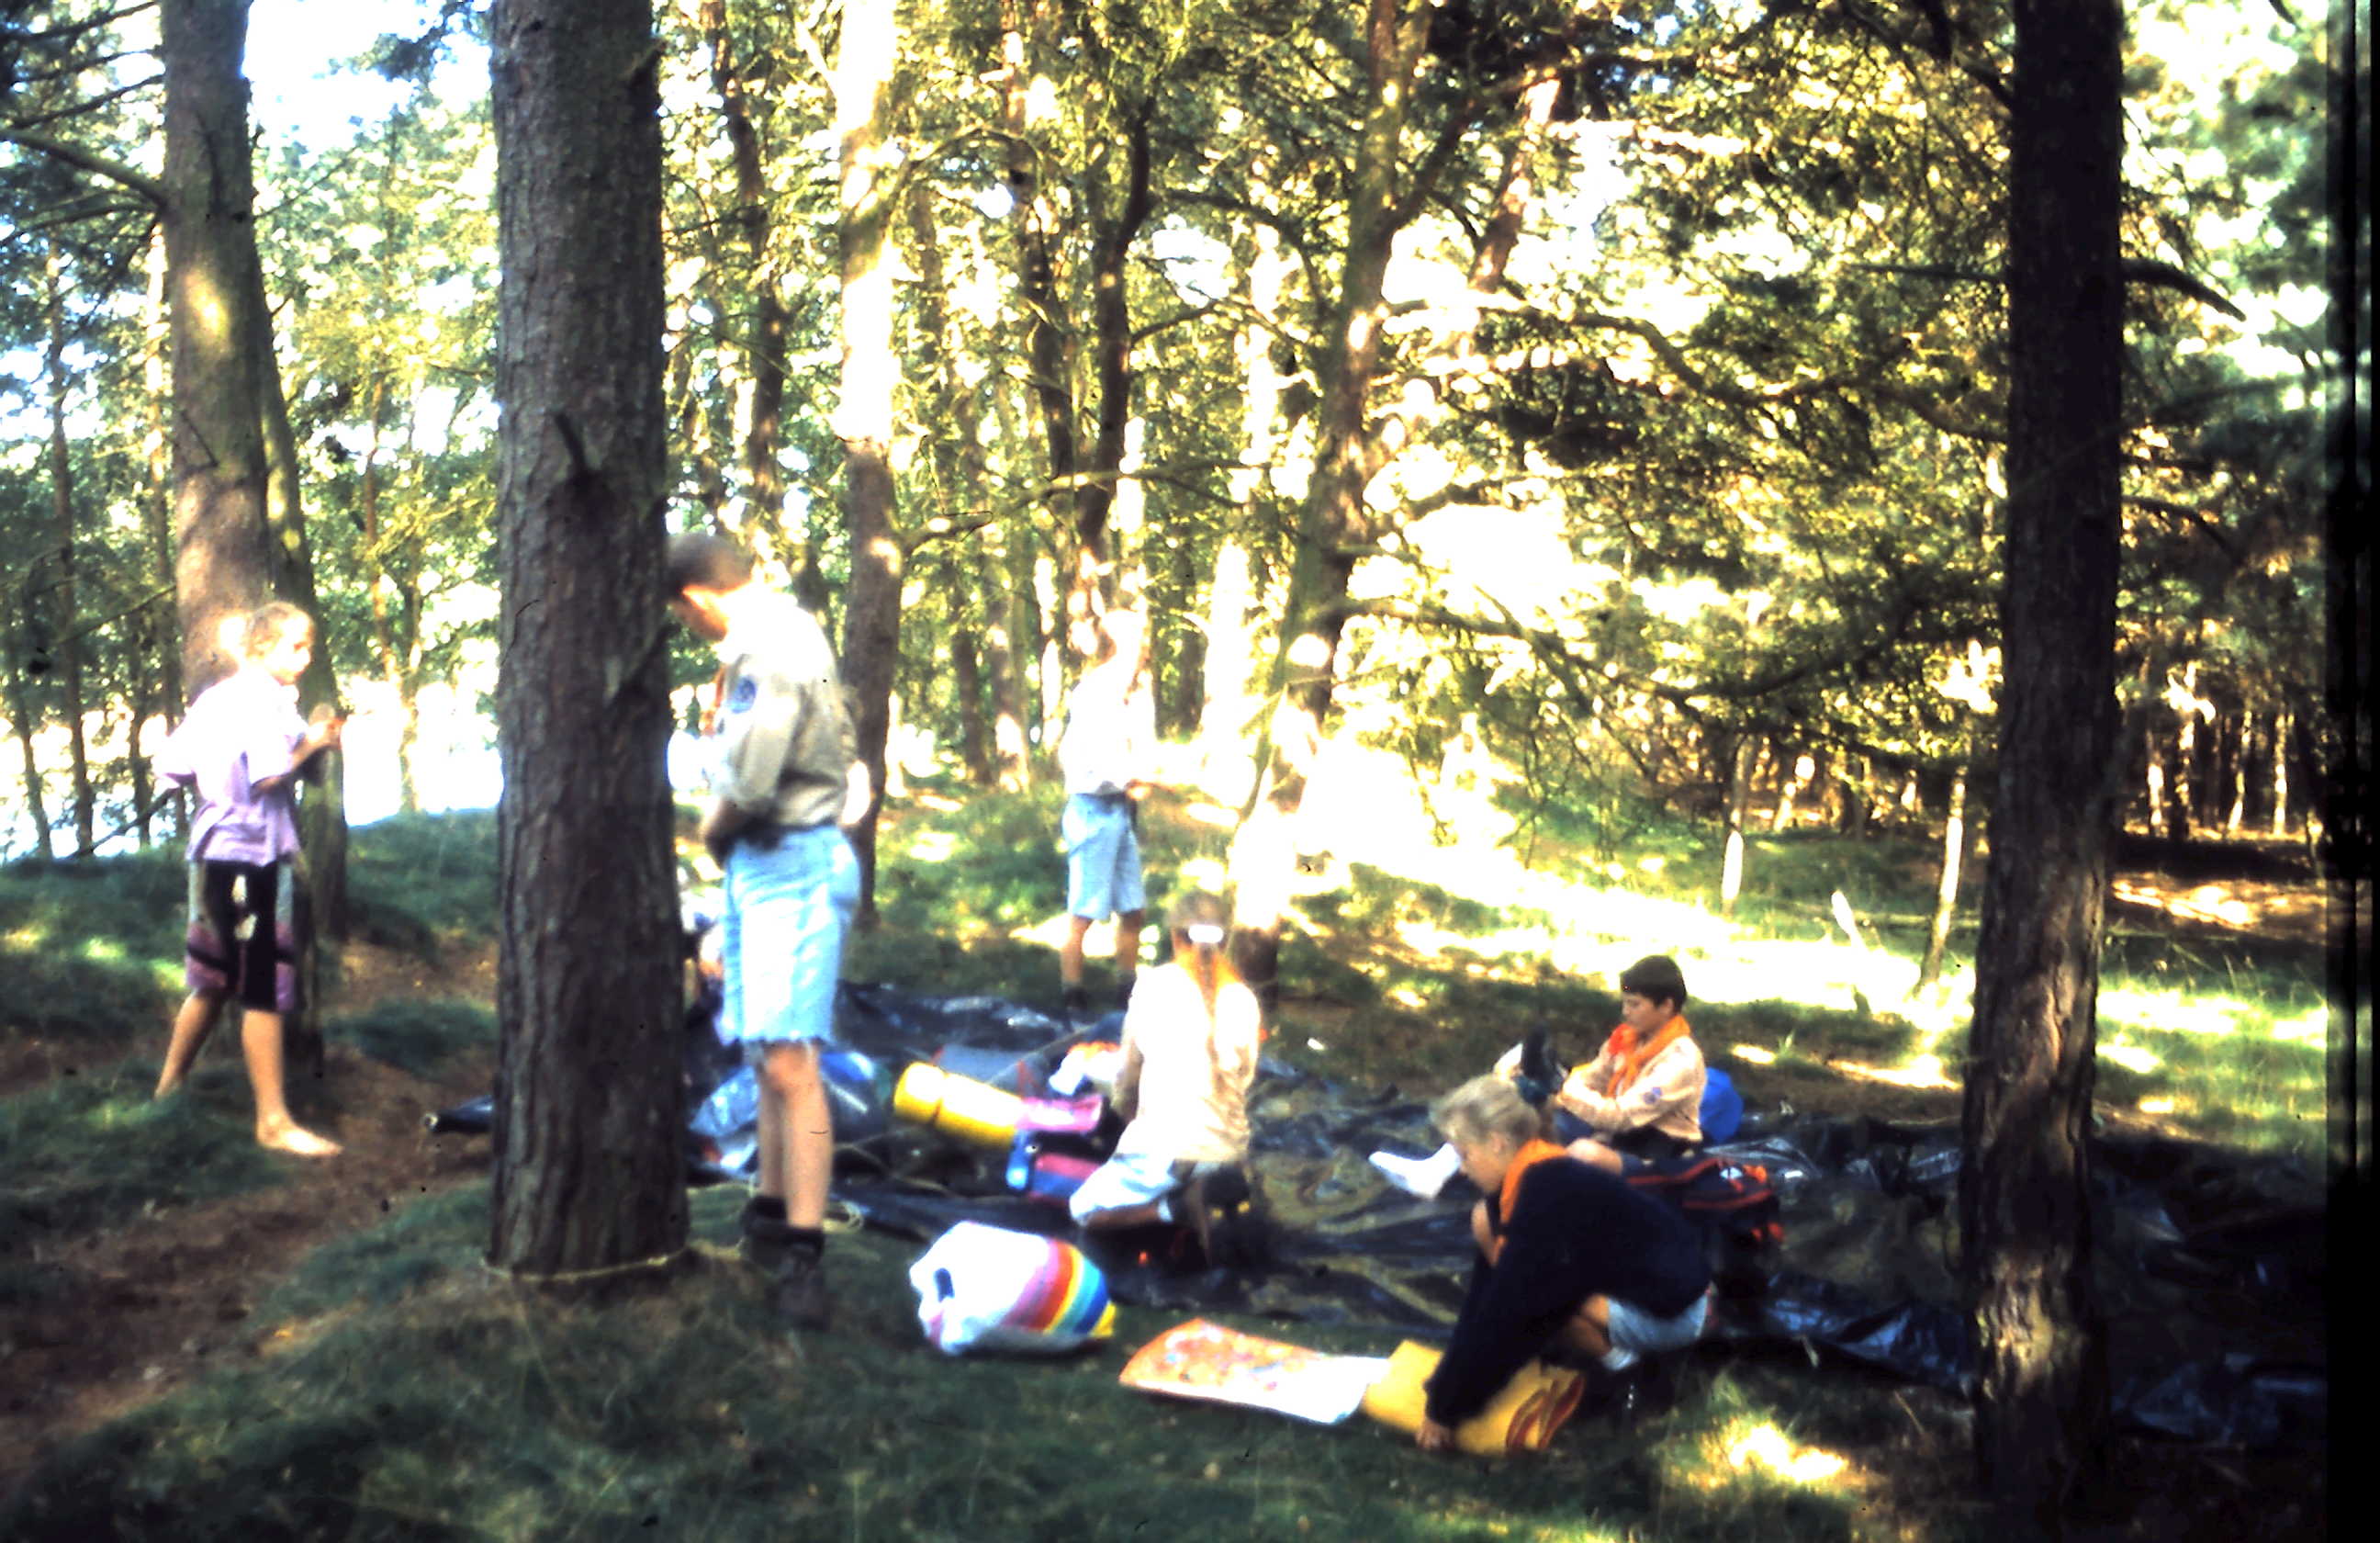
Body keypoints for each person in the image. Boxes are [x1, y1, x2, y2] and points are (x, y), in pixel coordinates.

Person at [667, 532, 871, 1329]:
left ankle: (805, 1257)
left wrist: (707, 834)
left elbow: (750, 785)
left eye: (682, 615)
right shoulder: (787, 632)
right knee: (763, 1056)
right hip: (769, 866)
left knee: (791, 1061)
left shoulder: (767, 649)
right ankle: (768, 1215)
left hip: (792, 863)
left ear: (697, 598)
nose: (688, 628)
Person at [1415, 1076, 1711, 1452]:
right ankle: (1606, 1348)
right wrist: (1446, 1382)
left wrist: (1445, 1410)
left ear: (1497, 1143)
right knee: (1528, 1286)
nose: (1462, 1170)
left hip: (1672, 1314)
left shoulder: (1548, 1200)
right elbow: (1485, 1294)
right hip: (1641, 1282)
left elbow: (1510, 1315)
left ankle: (1630, 1371)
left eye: (1465, 1155)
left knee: (1544, 1306)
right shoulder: (1533, 1174)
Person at [152, 602, 343, 1156]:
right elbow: (269, 775)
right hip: (251, 858)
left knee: (212, 979)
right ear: (261, 646)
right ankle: (273, 1122)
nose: (306, 658)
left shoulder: (216, 698)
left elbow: (171, 765)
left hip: (209, 853)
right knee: (262, 986)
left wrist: (221, 781)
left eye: (309, 647)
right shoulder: (265, 703)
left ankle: (167, 1092)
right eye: (296, 647)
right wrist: (314, 742)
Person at [1068, 890, 1261, 1233]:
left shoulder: (1154, 984)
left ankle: (1174, 1208)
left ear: (1174, 935)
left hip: (1167, 1151)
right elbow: (1243, 1080)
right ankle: (1204, 1193)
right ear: (1225, 940)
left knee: (1082, 1210)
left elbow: (1128, 1079)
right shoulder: (1244, 997)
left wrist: (1129, 1121)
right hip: (1229, 1151)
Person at [1056, 607, 1155, 1020]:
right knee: (1084, 911)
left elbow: (1142, 750)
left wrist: (1143, 777)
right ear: (1119, 644)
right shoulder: (1094, 692)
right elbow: (1099, 763)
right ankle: (1072, 998)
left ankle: (1125, 992)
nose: (1144, 646)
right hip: (1091, 811)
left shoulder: (1134, 693)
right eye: (1138, 638)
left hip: (1120, 811)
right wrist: (1148, 777)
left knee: (1133, 909)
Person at [1547, 953, 1706, 1172]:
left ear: (1666, 1006)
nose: (1625, 1012)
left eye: (1634, 1005)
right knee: (1533, 1125)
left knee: (1585, 1154)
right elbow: (1594, 1078)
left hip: (1658, 1154)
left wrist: (1564, 1089)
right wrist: (1552, 1091)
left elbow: (1621, 1116)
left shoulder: (1680, 1061)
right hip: (1619, 1136)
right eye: (1624, 1003)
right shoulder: (1627, 1039)